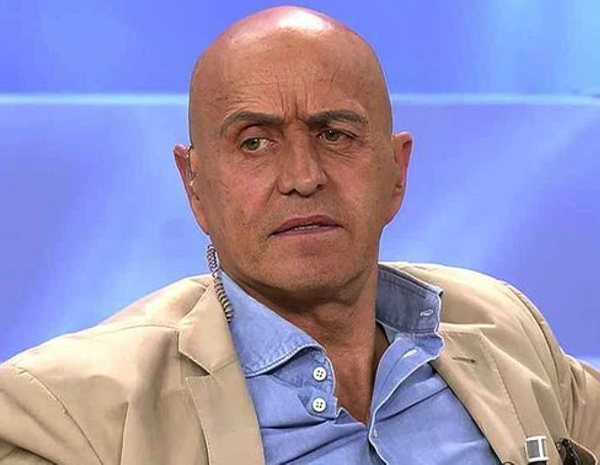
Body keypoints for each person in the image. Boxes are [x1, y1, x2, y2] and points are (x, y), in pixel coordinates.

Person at [0, 6, 598, 465]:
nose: (303, 177)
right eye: (254, 142)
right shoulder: (70, 415)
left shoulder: (503, 326)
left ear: (397, 173)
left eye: (335, 135)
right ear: (195, 185)